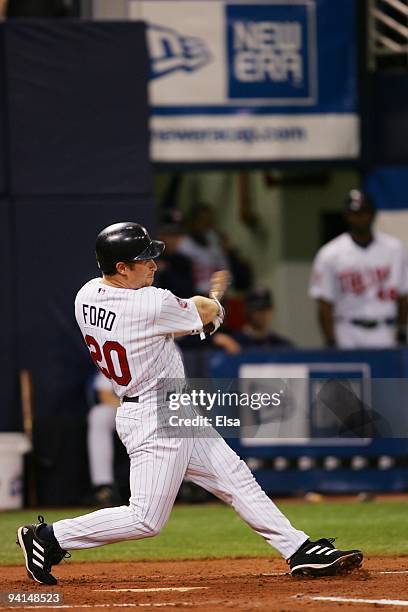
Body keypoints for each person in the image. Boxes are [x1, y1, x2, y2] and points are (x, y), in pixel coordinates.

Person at [17, 221, 363, 585]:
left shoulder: (86, 295)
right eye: (143, 259)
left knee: (236, 478)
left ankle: (298, 550)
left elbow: (177, 320)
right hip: (154, 414)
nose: (153, 264)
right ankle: (48, 537)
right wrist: (213, 310)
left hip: (165, 407)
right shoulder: (150, 303)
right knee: (146, 519)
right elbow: (198, 310)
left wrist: (201, 318)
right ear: (121, 268)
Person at [309, 189, 408, 348]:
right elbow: (324, 303)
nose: (360, 218)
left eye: (364, 212)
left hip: (384, 329)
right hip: (347, 330)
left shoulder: (394, 249)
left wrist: (402, 330)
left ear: (373, 214)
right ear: (346, 216)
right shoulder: (330, 253)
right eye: (354, 213)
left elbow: (403, 295)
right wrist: (331, 340)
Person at [213, 288, 293, 354]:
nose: (262, 314)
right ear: (247, 312)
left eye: (266, 309)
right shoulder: (234, 342)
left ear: (271, 311)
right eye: (257, 309)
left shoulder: (282, 345)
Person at [85, 371, 122, 507]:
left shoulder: (168, 350)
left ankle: (186, 485)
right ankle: (104, 486)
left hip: (157, 409)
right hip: (125, 409)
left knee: (179, 409)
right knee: (99, 415)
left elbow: (174, 390)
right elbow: (105, 395)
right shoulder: (119, 351)